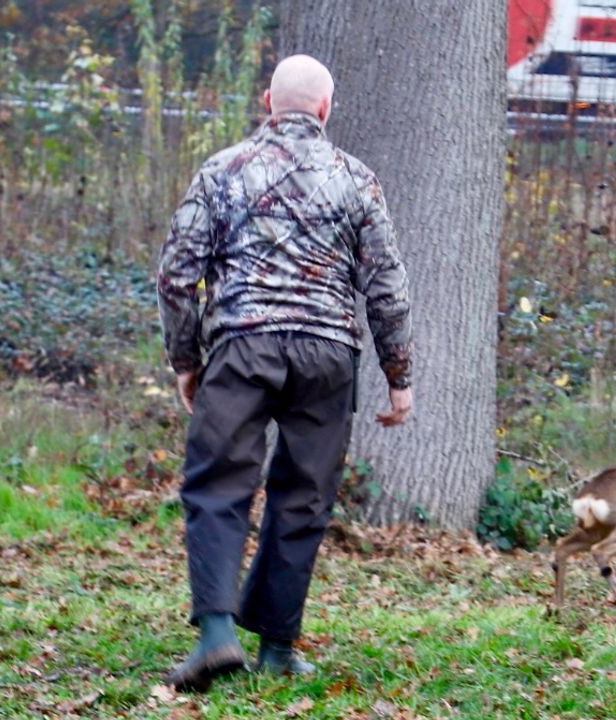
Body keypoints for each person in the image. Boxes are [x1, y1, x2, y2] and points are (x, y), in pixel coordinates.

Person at [156, 54, 414, 692]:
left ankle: (216, 635)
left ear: (269, 101)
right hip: (328, 356)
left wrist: (187, 360)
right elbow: (387, 287)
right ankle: (275, 647)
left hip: (243, 347)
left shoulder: (223, 169)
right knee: (304, 497)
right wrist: (398, 373)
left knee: (218, 485)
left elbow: (175, 274)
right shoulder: (357, 179)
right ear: (325, 109)